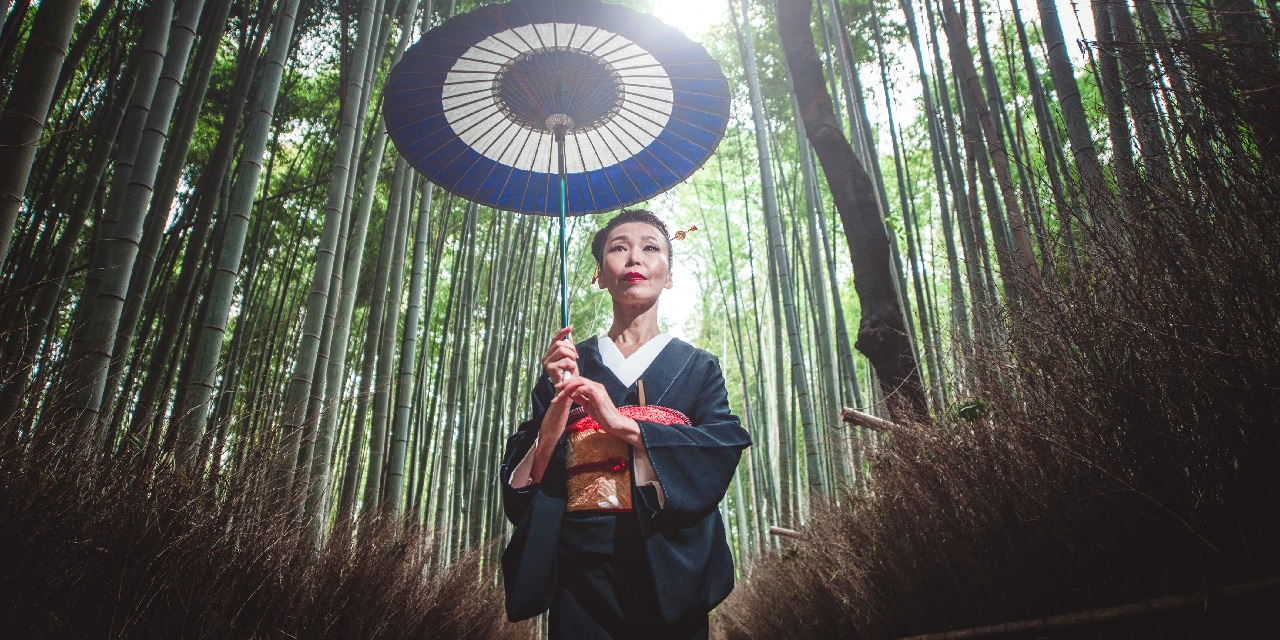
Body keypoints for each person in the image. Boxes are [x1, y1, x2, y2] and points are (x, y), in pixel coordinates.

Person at [500, 209, 752, 639]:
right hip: (581, 564)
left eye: (650, 248)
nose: (634, 258)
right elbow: (523, 488)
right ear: (600, 275)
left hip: (669, 560)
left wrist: (621, 424)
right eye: (619, 249)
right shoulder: (569, 364)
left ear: (668, 275)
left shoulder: (698, 366)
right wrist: (553, 423)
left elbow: (721, 446)